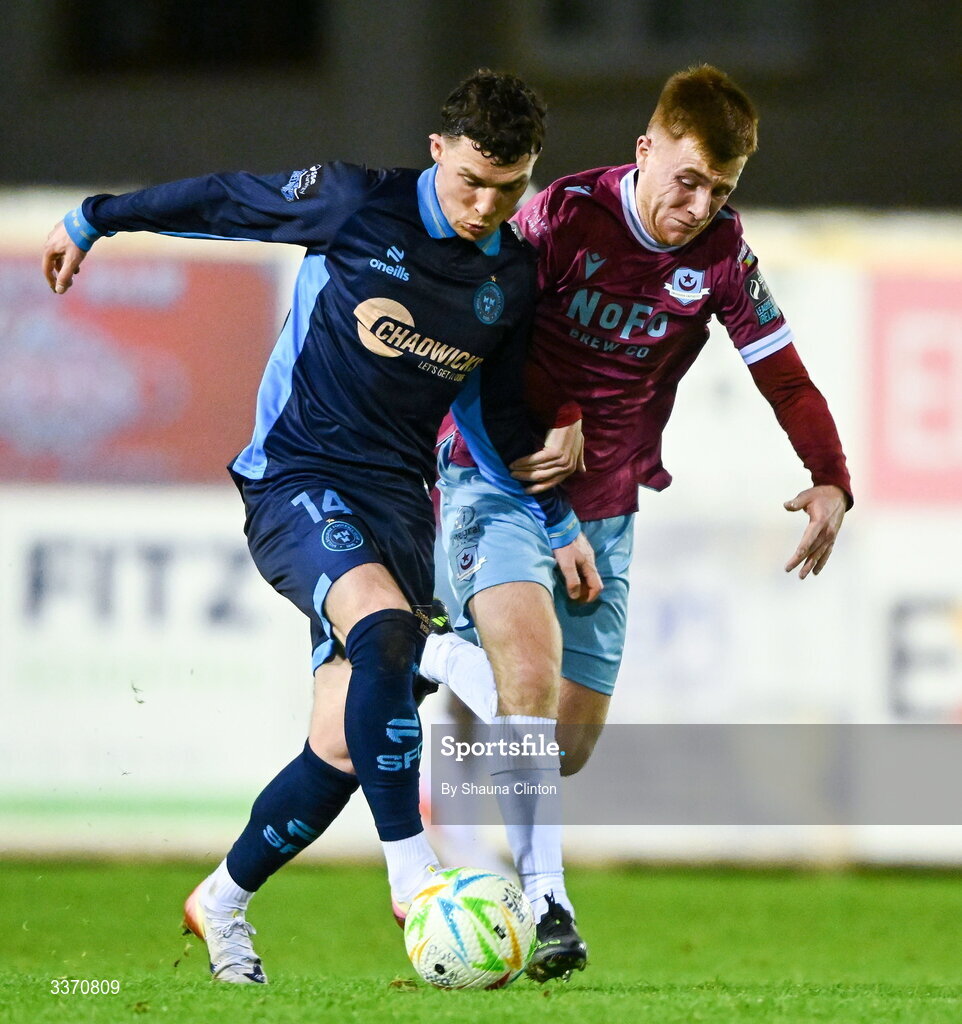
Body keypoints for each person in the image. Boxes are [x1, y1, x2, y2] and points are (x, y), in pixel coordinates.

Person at [42, 69, 598, 985]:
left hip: (397, 505)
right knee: (386, 634)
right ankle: (415, 875)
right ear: (437, 151)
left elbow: (496, 418)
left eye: (510, 189)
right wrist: (98, 216)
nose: (485, 206)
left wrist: (555, 513)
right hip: (296, 477)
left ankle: (220, 901)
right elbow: (227, 202)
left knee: (344, 745)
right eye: (470, 183)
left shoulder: (510, 272)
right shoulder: (355, 205)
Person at [419, 63, 853, 974]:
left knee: (564, 744)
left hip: (608, 506)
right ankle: (549, 908)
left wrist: (829, 477)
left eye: (719, 190)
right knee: (526, 685)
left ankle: (425, 661)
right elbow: (477, 337)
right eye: (686, 180)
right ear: (645, 151)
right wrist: (541, 436)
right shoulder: (562, 218)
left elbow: (783, 372)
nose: (696, 205)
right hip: (497, 478)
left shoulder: (723, 255)